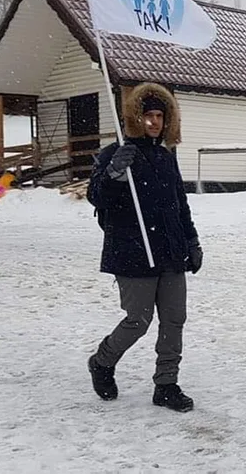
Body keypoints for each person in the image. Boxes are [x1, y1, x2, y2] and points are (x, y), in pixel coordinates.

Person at [86, 83, 202, 413]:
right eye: (148, 116)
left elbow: (180, 205)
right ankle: (102, 361)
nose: (154, 122)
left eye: (159, 117)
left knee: (174, 319)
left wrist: (191, 241)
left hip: (170, 251)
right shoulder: (117, 153)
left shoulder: (166, 158)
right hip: (132, 251)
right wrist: (112, 174)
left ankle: (166, 384)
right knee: (138, 320)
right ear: (136, 117)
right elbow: (96, 196)